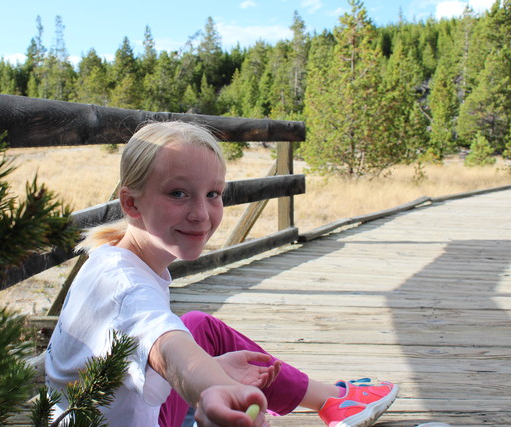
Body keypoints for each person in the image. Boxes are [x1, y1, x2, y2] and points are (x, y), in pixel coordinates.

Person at [45, 121, 399, 427]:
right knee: (196, 331)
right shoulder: (125, 287)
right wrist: (217, 388)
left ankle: (331, 399)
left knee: (199, 325)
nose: (201, 213)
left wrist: (212, 368)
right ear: (131, 203)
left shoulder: (111, 258)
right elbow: (167, 347)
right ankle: (335, 400)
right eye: (178, 193)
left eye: (213, 193)